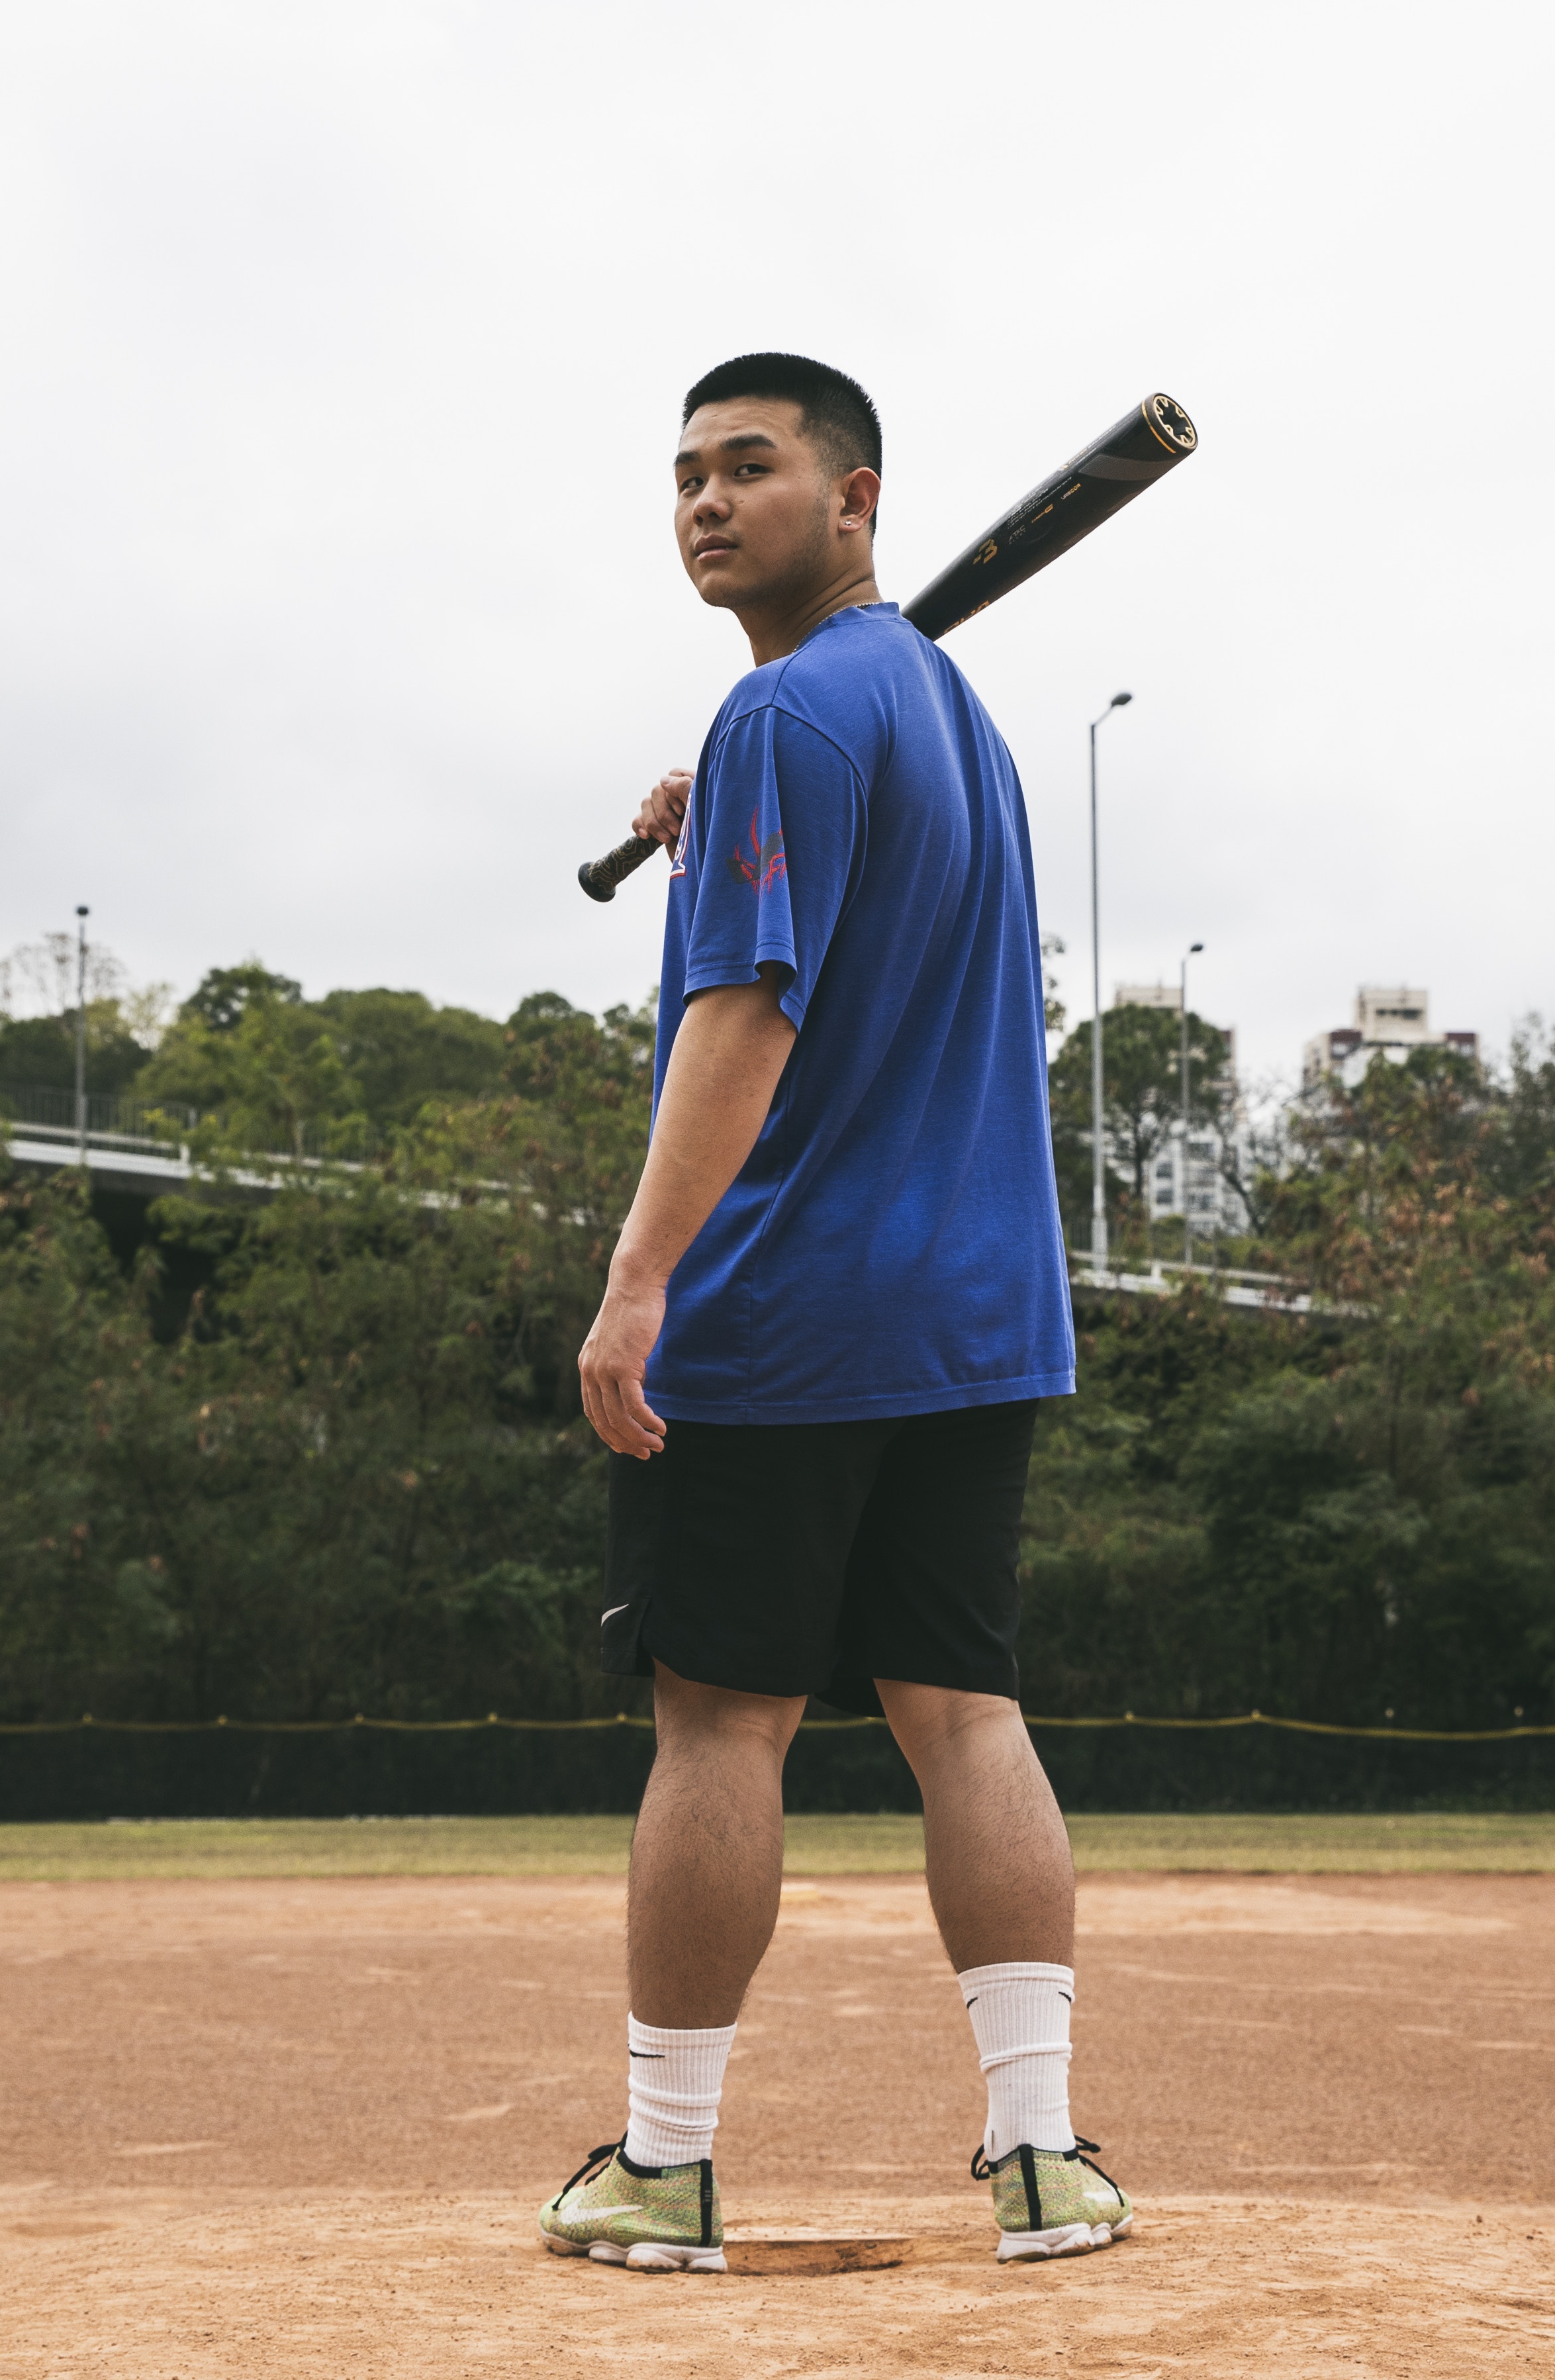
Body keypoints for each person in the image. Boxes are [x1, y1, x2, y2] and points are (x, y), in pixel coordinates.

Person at [536, 353, 1129, 2273]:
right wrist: (723, 806)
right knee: (967, 1712)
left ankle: (663, 2161)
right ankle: (1042, 2155)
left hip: (786, 1307)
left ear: (855, 497)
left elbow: (753, 1012)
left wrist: (639, 1275)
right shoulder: (942, 711)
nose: (707, 502)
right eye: (685, 475)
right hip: (978, 1308)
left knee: (721, 1721)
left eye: (752, 467)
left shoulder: (792, 719)